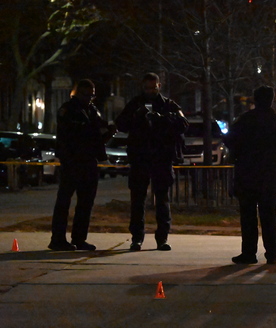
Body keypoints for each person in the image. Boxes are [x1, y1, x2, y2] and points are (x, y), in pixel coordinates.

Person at [115, 73, 187, 251]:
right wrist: (136, 117)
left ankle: (162, 238)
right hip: (140, 159)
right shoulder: (135, 103)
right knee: (137, 200)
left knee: (162, 200)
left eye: (153, 88)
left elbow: (183, 123)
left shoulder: (168, 105)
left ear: (159, 87)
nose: (150, 91)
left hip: (162, 159)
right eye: (147, 88)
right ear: (142, 87)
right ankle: (137, 238)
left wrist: (161, 118)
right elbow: (120, 124)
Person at [223, 85, 276, 264]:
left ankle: (249, 252)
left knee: (248, 216)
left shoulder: (245, 120)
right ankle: (272, 253)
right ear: (272, 99)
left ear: (255, 99)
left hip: (248, 173)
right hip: (270, 173)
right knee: (269, 215)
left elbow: (230, 140)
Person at [49, 79, 115, 251]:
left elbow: (97, 136)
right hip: (72, 161)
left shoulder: (91, 110)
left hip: (88, 161)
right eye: (86, 94)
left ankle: (79, 238)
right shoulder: (68, 110)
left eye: (92, 95)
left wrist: (109, 131)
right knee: (64, 202)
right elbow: (78, 133)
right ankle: (57, 239)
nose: (89, 98)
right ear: (77, 93)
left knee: (86, 203)